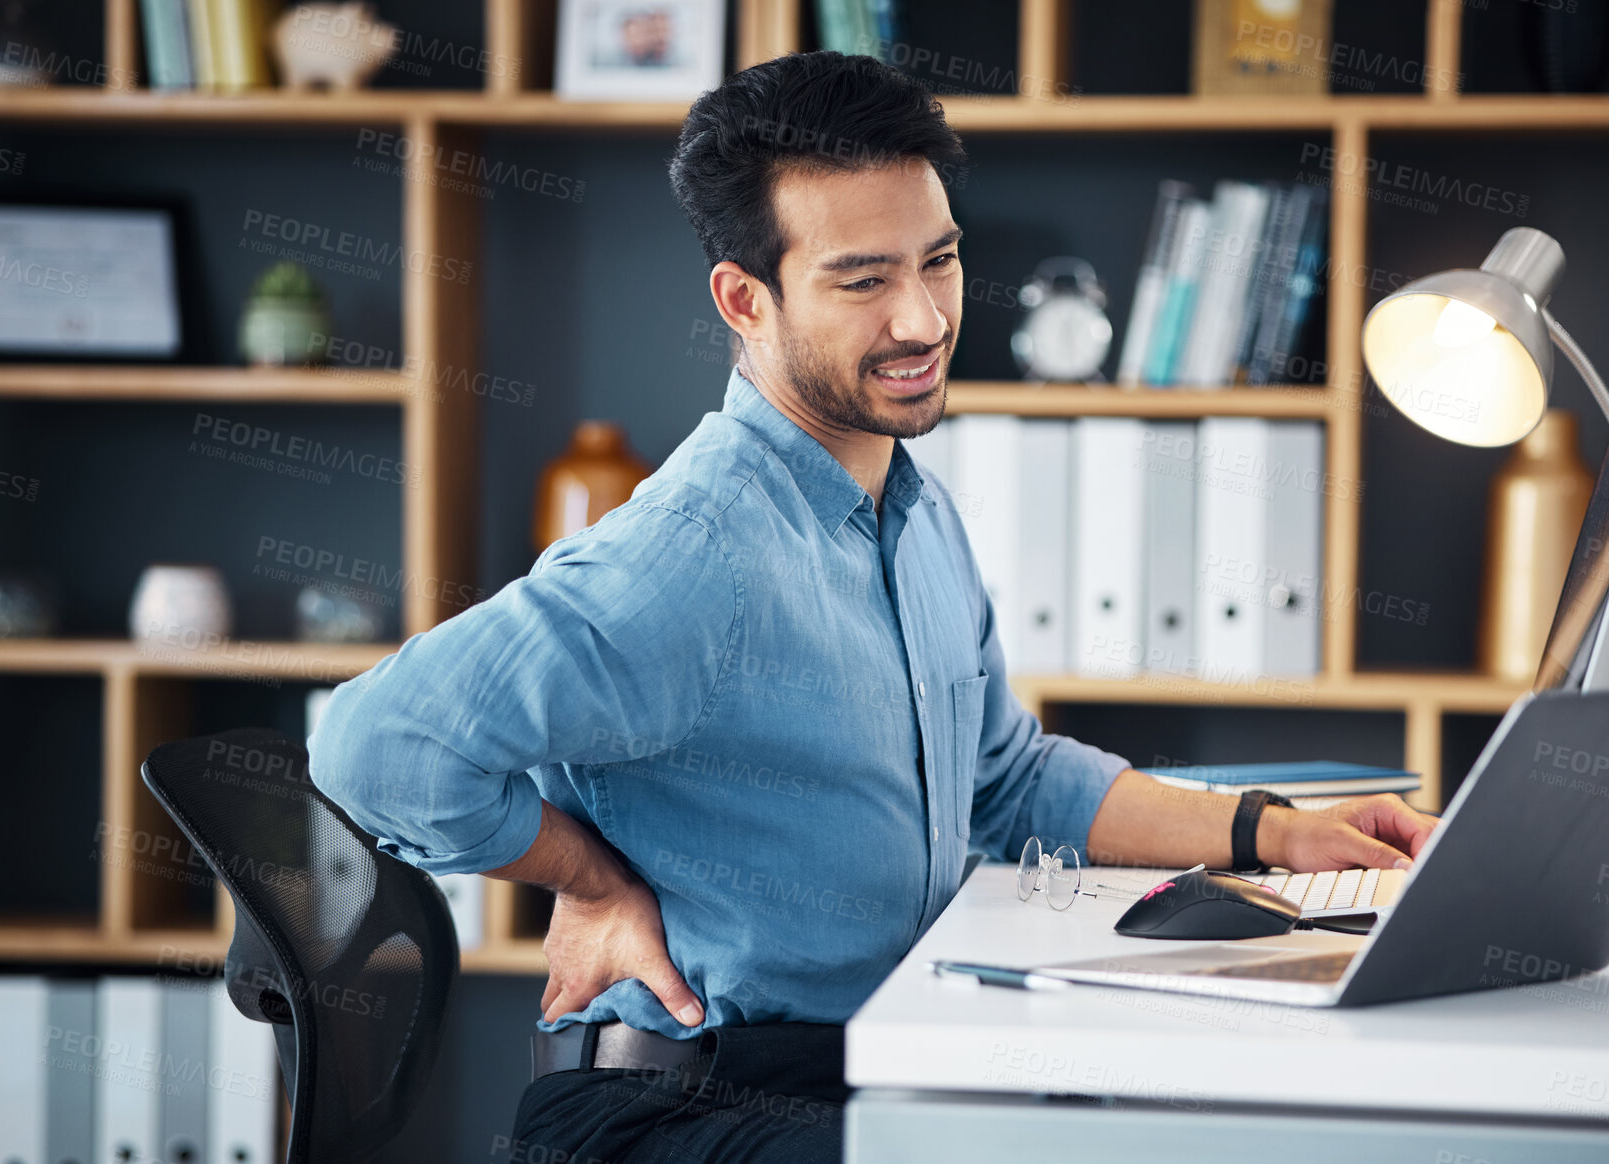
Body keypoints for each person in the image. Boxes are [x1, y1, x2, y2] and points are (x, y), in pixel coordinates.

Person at [308, 50, 1438, 1164]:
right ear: (743, 299)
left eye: (936, 263)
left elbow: (1007, 778)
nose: (921, 319)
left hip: (866, 1069)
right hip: (683, 1113)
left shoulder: (910, 508)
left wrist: (1278, 836)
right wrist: (587, 877)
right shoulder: (693, 555)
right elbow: (372, 743)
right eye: (861, 280)